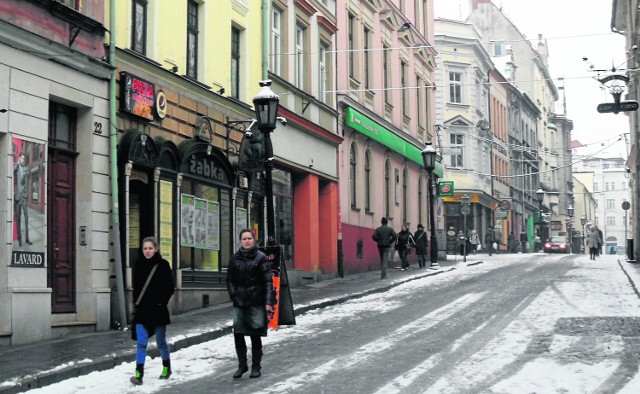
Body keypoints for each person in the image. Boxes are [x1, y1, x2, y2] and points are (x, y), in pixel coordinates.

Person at [226, 229, 276, 379]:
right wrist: (233, 294)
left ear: (254, 240)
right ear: (240, 241)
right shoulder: (235, 258)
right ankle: (242, 365)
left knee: (255, 333)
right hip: (239, 301)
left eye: (249, 238)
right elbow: (229, 279)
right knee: (238, 333)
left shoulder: (261, 258)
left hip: (256, 301)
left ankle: (256, 366)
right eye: (244, 238)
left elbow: (268, 281)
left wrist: (268, 302)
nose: (247, 241)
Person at [130, 236, 175, 385]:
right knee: (141, 342)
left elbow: (169, 287)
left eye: (150, 248)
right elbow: (136, 288)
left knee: (161, 341)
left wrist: (162, 302)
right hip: (142, 310)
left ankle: (166, 367)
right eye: (145, 248)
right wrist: (135, 304)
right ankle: (138, 374)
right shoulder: (138, 264)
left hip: (158, 309)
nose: (147, 251)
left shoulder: (163, 265)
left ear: (156, 249)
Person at [14, 152, 32, 247]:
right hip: (17, 198)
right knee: (18, 219)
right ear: (19, 159)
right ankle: (20, 239)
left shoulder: (26, 169)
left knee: (26, 218)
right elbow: (12, 172)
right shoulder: (17, 168)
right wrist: (16, 164)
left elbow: (26, 184)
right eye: (21, 158)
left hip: (24, 199)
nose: (23, 160)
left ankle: (27, 238)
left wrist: (26, 196)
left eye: (24, 159)